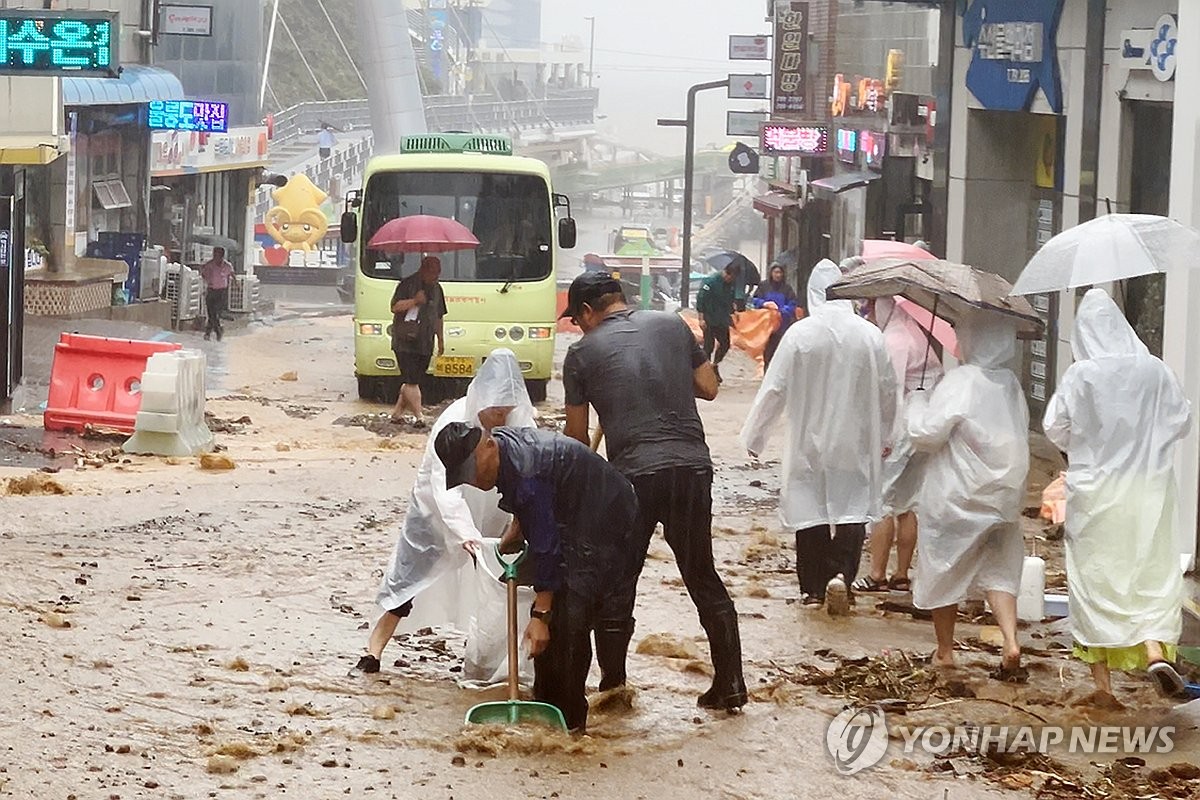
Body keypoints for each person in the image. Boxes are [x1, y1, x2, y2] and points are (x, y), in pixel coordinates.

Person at [560, 272, 747, 712]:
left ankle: (614, 686)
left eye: (577, 319)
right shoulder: (673, 324)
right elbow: (709, 387)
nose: (578, 328)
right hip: (692, 469)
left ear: (588, 311)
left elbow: (574, 437)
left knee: (618, 581)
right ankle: (731, 685)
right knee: (703, 576)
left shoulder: (581, 354)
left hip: (632, 478)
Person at [435, 421, 641, 732]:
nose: (474, 481)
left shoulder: (527, 472)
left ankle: (572, 726)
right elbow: (531, 505)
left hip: (607, 516)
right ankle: (546, 702)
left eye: (473, 469)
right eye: (465, 476)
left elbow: (546, 547)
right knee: (555, 617)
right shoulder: (506, 449)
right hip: (573, 511)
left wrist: (541, 615)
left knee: (570, 616)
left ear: (488, 446)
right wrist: (516, 530)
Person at [1043, 289, 1192, 699]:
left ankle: (1104, 691)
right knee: (1147, 571)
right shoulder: (1155, 370)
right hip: (1149, 489)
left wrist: (1087, 441)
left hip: (1096, 492)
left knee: (1096, 580)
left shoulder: (1082, 375)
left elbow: (1055, 427)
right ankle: (1152, 649)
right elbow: (1181, 420)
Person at [352, 350, 536, 676]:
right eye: (495, 410)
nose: (500, 417)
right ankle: (373, 651)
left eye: (506, 410)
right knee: (408, 578)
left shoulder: (522, 422)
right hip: (436, 514)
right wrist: (466, 533)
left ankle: (489, 659)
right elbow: (444, 487)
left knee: (501, 584)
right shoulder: (454, 421)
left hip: (498, 511)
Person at [741, 260, 897, 613]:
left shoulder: (800, 334)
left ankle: (813, 589)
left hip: (808, 441)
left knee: (809, 510)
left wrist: (755, 436)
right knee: (851, 507)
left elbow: (774, 389)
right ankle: (841, 575)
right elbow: (889, 390)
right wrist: (888, 434)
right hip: (855, 439)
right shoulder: (871, 335)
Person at [908, 312, 1029, 680]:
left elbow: (928, 434)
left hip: (958, 496)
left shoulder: (961, 381)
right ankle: (1010, 641)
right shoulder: (1009, 382)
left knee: (944, 566)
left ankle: (945, 652)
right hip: (1002, 498)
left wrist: (917, 402)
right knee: (999, 570)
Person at [853, 297, 944, 595]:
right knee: (907, 503)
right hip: (924, 427)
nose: (869, 310)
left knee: (881, 502)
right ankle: (902, 575)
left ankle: (877, 574)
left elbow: (891, 392)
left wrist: (885, 438)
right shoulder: (920, 336)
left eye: (873, 304)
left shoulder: (894, 339)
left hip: (902, 426)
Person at [389, 256, 447, 424]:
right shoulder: (407, 284)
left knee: (413, 380)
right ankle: (419, 417)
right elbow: (394, 307)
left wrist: (441, 339)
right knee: (412, 380)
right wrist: (414, 301)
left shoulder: (437, 289)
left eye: (438, 272)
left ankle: (397, 414)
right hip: (405, 341)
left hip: (425, 341)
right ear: (423, 269)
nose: (436, 276)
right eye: (433, 272)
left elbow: (439, 316)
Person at [751, 263, 799, 369]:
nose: (778, 275)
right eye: (776, 272)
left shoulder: (787, 289)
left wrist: (781, 311)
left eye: (780, 272)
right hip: (766, 327)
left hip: (781, 326)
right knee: (767, 353)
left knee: (779, 352)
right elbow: (754, 300)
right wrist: (764, 304)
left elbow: (792, 304)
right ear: (771, 273)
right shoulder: (763, 286)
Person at [695, 263, 737, 383]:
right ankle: (705, 373)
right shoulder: (711, 281)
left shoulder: (730, 285)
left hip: (722, 319)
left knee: (725, 344)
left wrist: (732, 308)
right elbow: (701, 299)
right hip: (709, 319)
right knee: (708, 346)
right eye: (730, 277)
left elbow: (730, 300)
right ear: (726, 273)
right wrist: (701, 318)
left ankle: (715, 364)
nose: (731, 280)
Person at [200, 246, 234, 341]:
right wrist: (207, 279)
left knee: (215, 313)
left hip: (221, 292)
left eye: (218, 255)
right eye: (214, 254)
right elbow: (203, 274)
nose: (216, 256)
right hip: (211, 290)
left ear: (222, 256)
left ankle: (210, 332)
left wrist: (236, 285)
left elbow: (232, 274)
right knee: (211, 313)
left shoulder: (227, 265)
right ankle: (218, 330)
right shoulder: (209, 265)